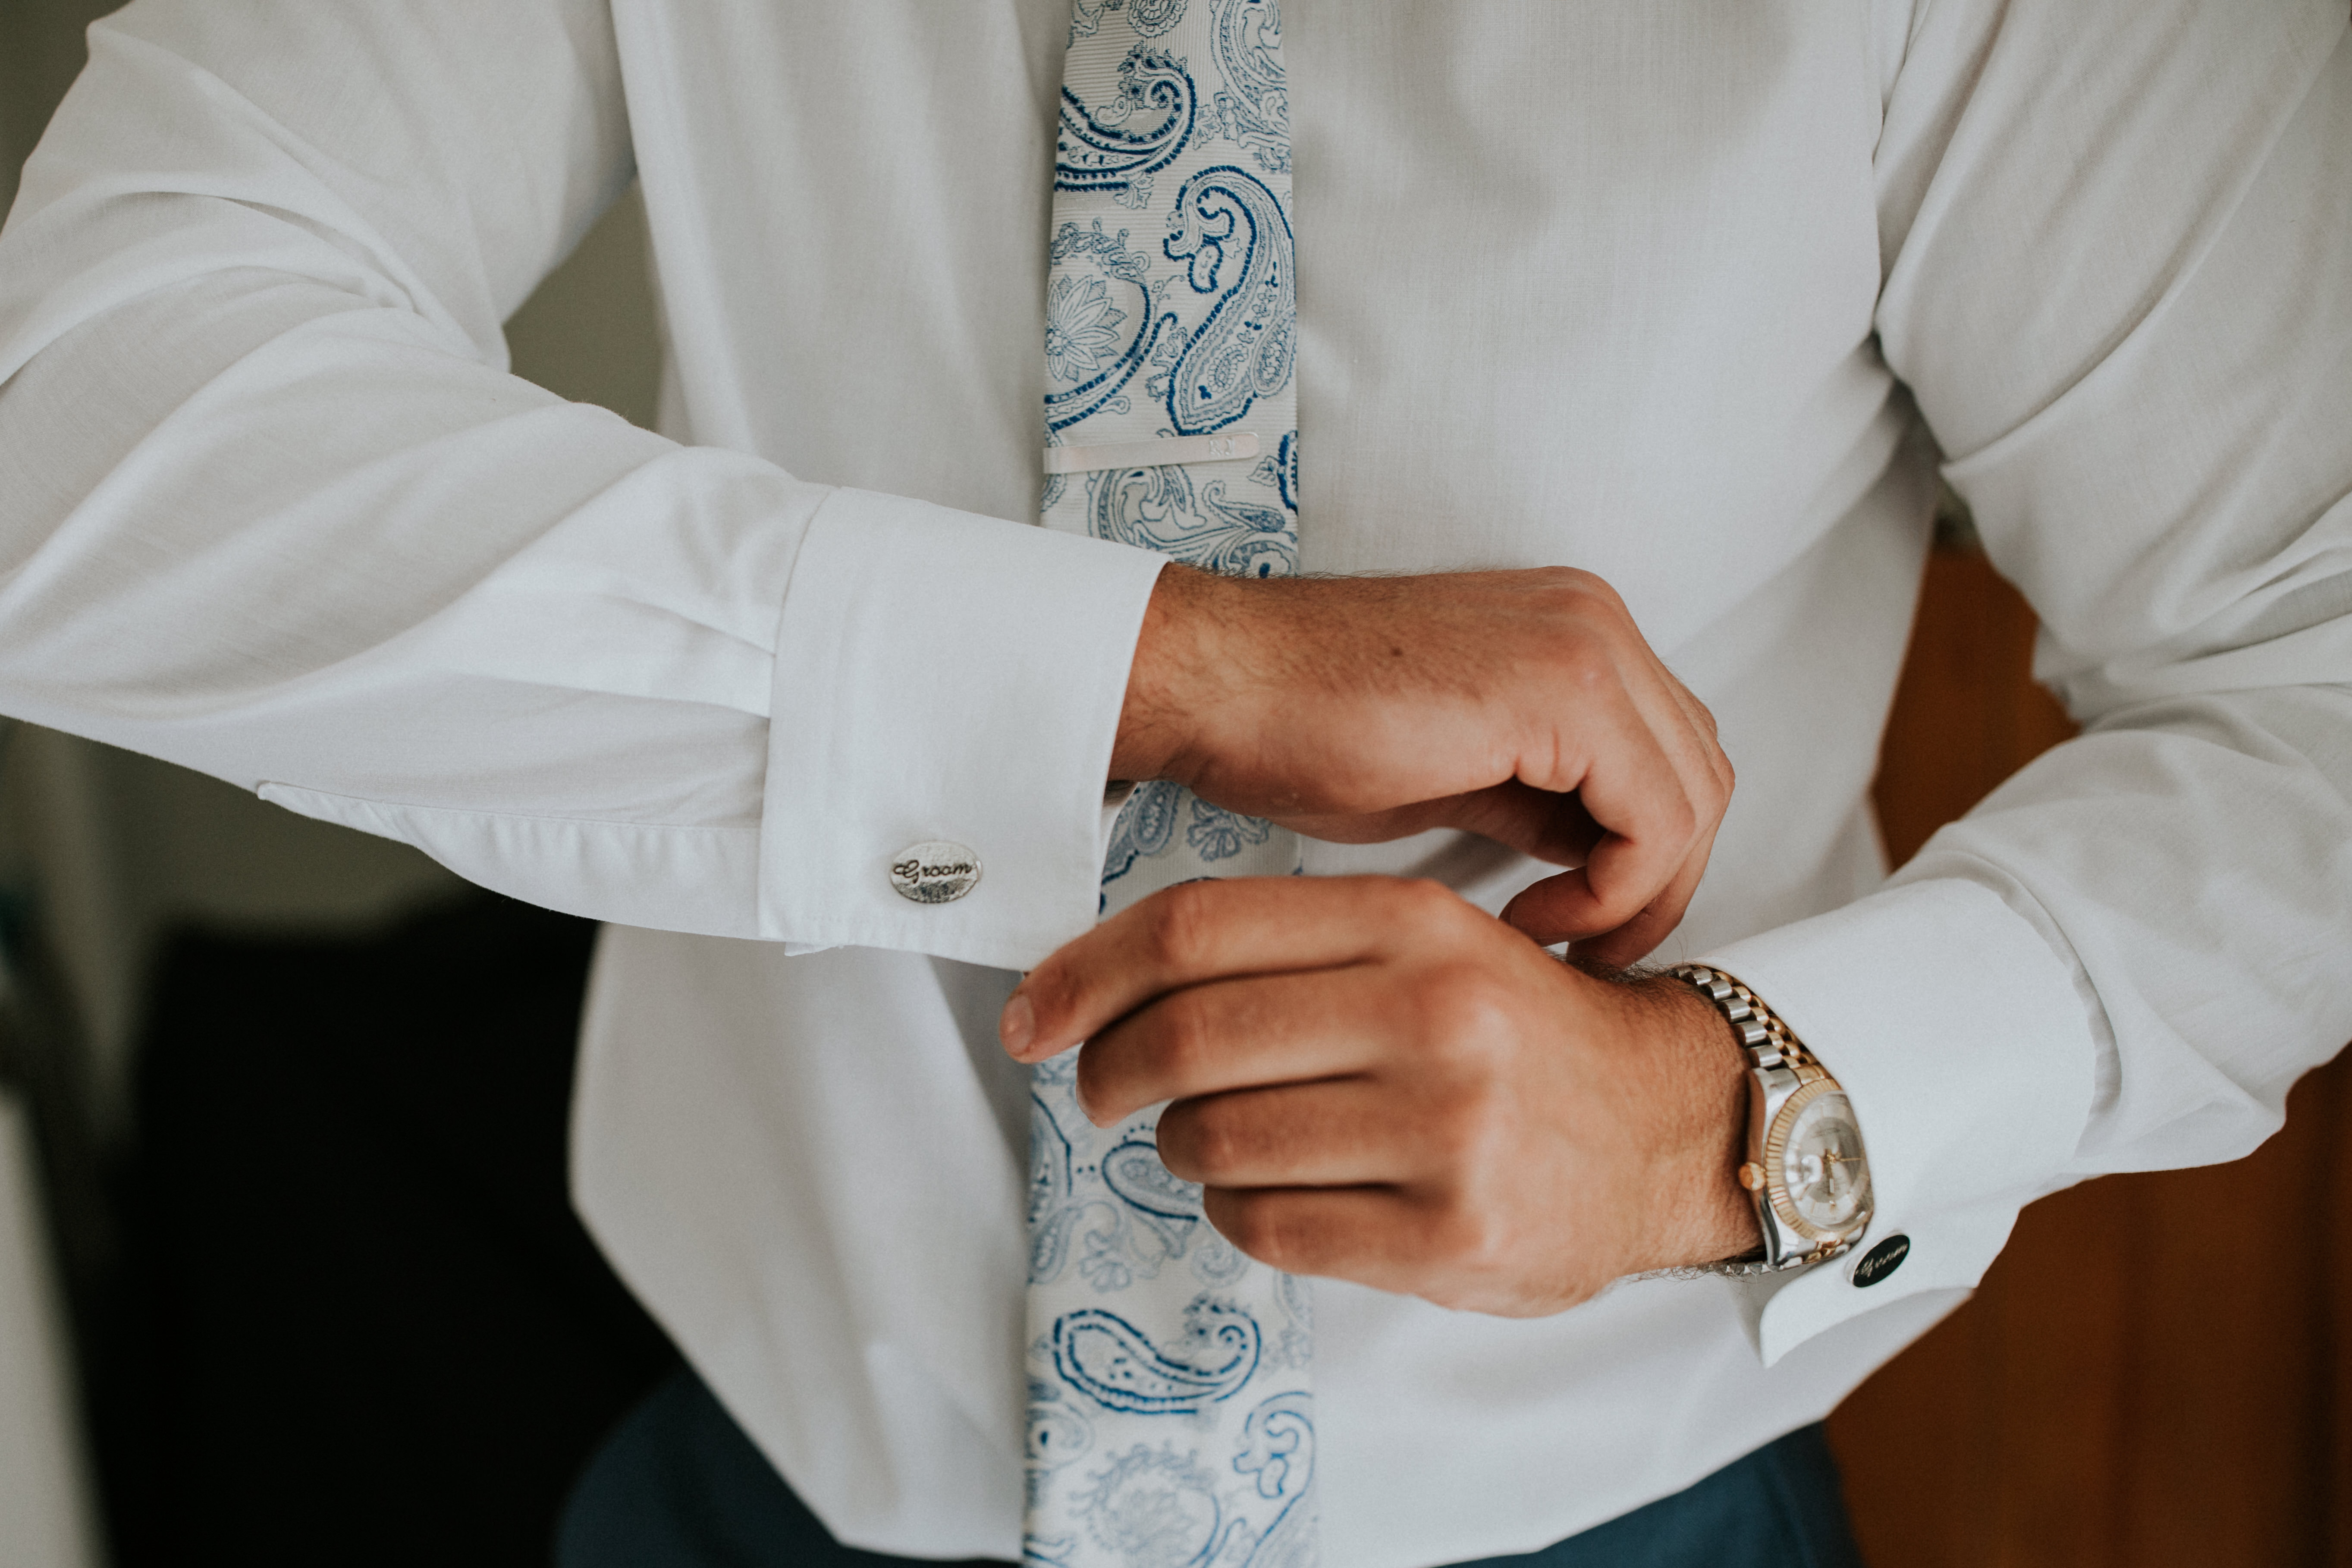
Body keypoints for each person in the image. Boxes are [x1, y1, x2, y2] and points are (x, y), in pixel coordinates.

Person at [1, 2, 2346, 1564]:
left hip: (1602, 1520)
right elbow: (78, 422)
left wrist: (1699, 1118)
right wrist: (1149, 674)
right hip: (743, 1480)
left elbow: (2316, 695)